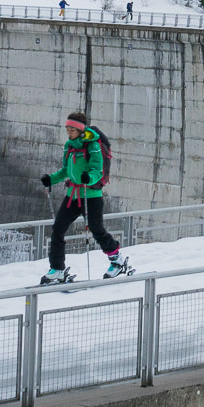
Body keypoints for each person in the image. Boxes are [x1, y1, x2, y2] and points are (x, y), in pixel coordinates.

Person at [40, 112, 128, 282]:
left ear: (80, 130)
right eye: (67, 129)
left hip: (91, 196)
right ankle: (57, 268)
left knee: (97, 231)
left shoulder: (92, 145)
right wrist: (51, 179)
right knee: (58, 229)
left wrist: (90, 178)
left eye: (72, 129)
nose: (69, 132)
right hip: (72, 195)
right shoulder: (69, 146)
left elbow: (97, 169)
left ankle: (117, 260)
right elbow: (66, 170)